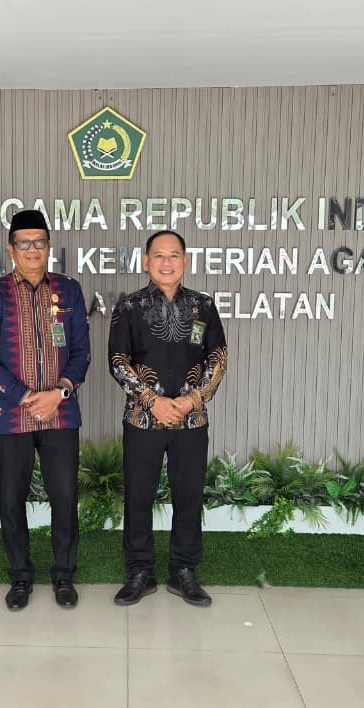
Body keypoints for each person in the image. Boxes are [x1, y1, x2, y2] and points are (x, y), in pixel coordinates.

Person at [0, 209, 91, 611]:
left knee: (64, 496)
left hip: (61, 413)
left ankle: (64, 575)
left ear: (48, 246)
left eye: (39, 242)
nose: (32, 249)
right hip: (10, 416)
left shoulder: (69, 290)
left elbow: (81, 352)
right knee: (11, 499)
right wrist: (26, 397)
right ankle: (20, 576)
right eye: (24, 243)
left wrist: (59, 392)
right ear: (11, 249)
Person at [107, 230, 227, 608]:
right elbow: (118, 361)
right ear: (146, 262)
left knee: (188, 495)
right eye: (158, 255)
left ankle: (183, 571)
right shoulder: (129, 307)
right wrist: (152, 401)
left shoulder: (203, 306)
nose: (166, 262)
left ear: (185, 261)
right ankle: (139, 572)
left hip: (191, 421)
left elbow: (218, 358)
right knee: (138, 496)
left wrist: (192, 400)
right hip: (143, 420)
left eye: (174, 255)